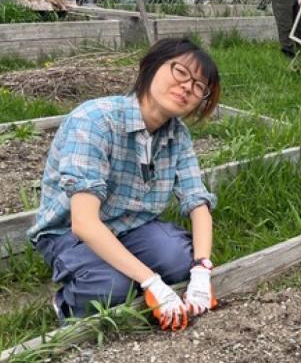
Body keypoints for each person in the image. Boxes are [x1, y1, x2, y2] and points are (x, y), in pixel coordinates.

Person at [28, 38, 223, 331]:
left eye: (199, 87)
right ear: (151, 66)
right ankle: (66, 302)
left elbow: (197, 201)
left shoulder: (177, 135)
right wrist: (151, 281)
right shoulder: (95, 121)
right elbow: (83, 223)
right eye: (181, 72)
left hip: (132, 226)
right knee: (109, 288)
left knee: (181, 259)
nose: (187, 87)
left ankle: (129, 269)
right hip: (69, 233)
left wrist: (202, 269)